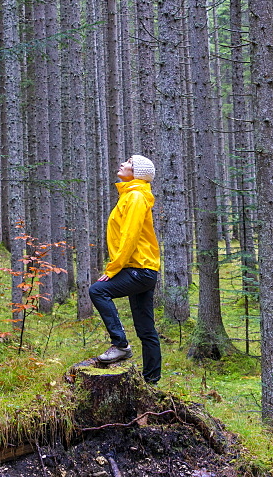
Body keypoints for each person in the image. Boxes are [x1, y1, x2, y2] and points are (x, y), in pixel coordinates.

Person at [89, 154, 161, 383]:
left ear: (136, 173)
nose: (122, 163)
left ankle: (120, 345)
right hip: (142, 268)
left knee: (98, 291)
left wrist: (113, 268)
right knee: (146, 329)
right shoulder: (130, 195)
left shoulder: (137, 197)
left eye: (129, 163)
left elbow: (129, 236)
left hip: (139, 268)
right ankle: (151, 381)